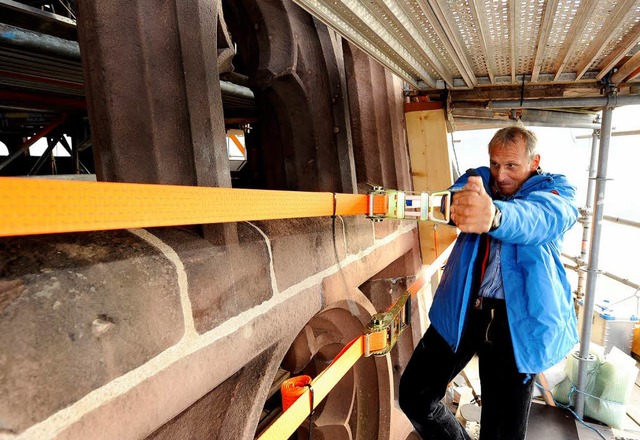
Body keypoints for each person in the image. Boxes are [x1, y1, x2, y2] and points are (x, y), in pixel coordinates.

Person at [399, 126, 579, 440]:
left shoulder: (555, 191)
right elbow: (455, 198)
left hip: (516, 325)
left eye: (511, 165)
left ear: (534, 161)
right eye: (496, 164)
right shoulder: (478, 180)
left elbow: (540, 218)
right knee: (415, 396)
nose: (501, 174)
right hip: (463, 310)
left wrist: (494, 216)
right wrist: (459, 204)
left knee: (502, 433)